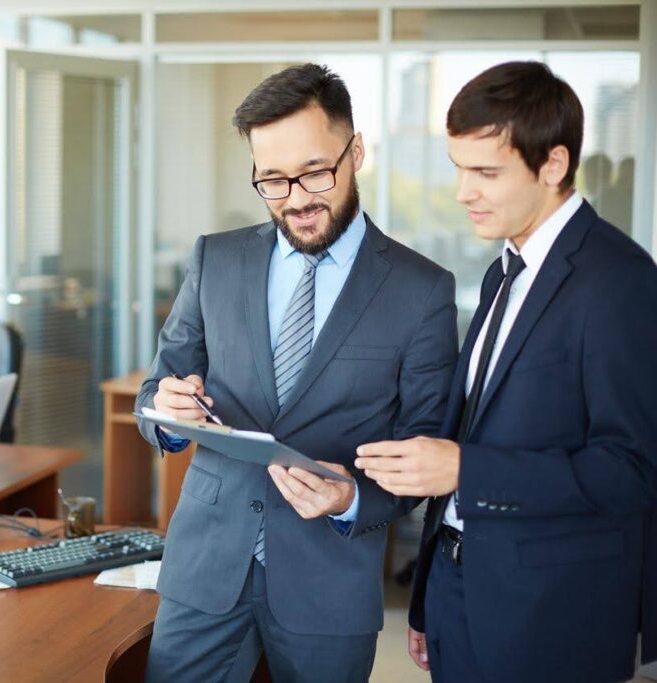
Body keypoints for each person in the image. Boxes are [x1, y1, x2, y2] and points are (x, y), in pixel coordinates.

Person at [135, 63, 458, 682]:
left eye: (314, 172)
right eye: (272, 181)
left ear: (355, 150)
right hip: (204, 569)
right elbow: (156, 393)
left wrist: (351, 497)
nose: (297, 199)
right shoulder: (216, 259)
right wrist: (169, 416)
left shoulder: (422, 291)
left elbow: (425, 450)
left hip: (329, 580)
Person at [355, 61, 657, 683]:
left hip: (554, 615)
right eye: (459, 168)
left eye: (486, 172)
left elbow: (632, 470)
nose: (463, 191)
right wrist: (430, 600)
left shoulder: (619, 281)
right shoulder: (503, 270)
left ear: (552, 164)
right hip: (460, 594)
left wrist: (466, 469)